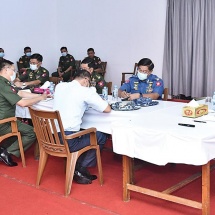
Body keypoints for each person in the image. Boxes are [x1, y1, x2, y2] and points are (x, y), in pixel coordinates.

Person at [53, 69, 111, 184]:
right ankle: (80, 168)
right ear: (86, 80)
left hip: (53, 136)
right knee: (100, 135)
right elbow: (107, 109)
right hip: (68, 140)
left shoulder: (60, 86)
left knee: (85, 131)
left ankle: (78, 166)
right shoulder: (85, 91)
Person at [0, 60, 49, 167]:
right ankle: (7, 152)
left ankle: (3, 149)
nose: (14, 73)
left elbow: (20, 92)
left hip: (5, 120)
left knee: (19, 129)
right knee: (32, 132)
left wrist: (41, 96)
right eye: (13, 70)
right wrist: (40, 98)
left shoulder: (4, 83)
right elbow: (22, 103)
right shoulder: (3, 85)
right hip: (4, 122)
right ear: (6, 70)